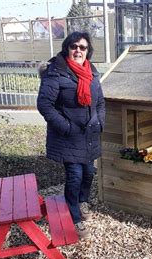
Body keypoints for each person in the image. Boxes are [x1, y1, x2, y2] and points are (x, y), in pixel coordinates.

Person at [37, 31, 105, 238]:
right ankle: (74, 217)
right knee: (75, 176)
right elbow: (44, 104)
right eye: (74, 46)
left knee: (89, 173)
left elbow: (100, 101)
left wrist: (100, 121)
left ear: (88, 51)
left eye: (82, 47)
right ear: (67, 48)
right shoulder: (55, 72)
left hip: (89, 134)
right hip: (68, 135)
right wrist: (65, 127)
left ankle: (82, 201)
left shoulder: (92, 72)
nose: (78, 50)